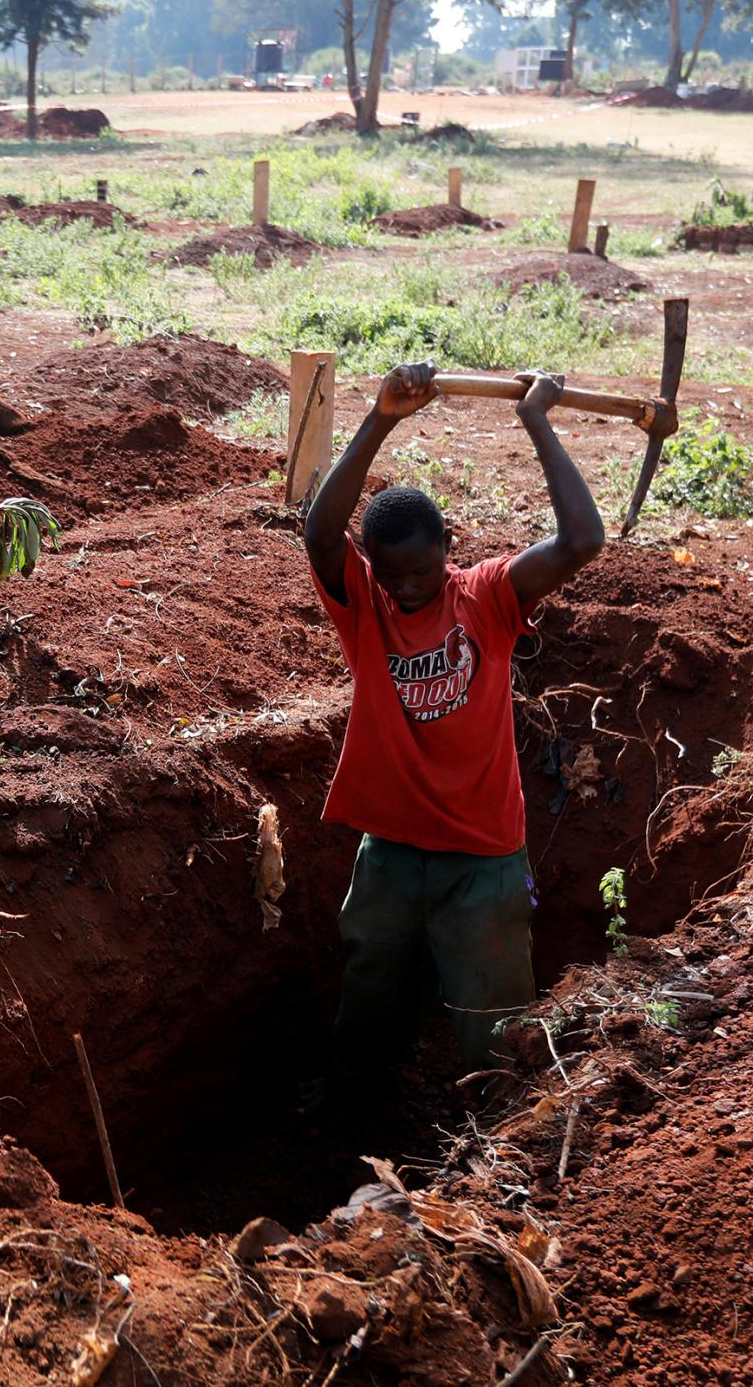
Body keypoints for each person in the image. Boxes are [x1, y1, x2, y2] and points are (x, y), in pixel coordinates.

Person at [300, 363, 607, 1078]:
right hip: (393, 849)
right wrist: (380, 418)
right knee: (369, 989)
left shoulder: (489, 598)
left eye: (421, 572)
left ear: (449, 549)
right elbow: (319, 532)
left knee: (492, 1020)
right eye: (391, 574)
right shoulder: (365, 609)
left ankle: (500, 1140)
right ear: (370, 567)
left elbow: (581, 542)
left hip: (484, 855)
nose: (406, 589)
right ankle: (356, 1103)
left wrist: (537, 420)